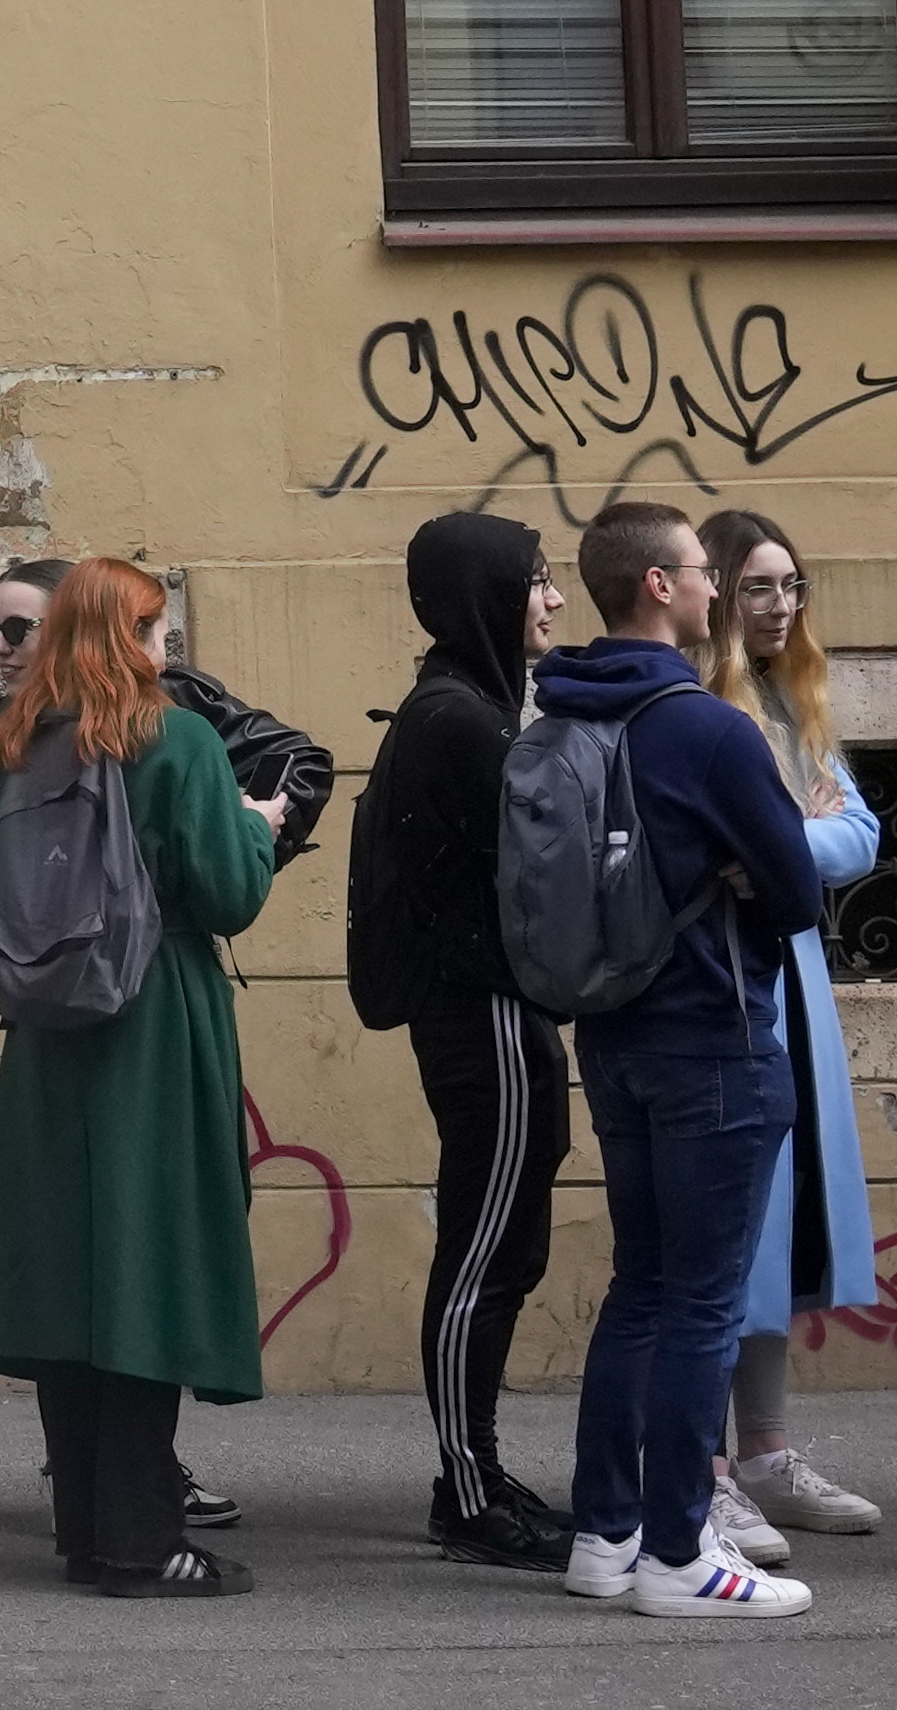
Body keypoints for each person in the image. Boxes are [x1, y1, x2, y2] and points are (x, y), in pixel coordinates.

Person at [0, 555, 264, 1606]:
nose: (165, 645)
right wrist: (257, 830)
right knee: (146, 1268)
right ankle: (139, 1542)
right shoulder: (175, 741)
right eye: (155, 627)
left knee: (73, 1279)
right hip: (153, 1018)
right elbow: (225, 893)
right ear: (128, 635)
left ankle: (87, 1528)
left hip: (45, 1031)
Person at [531, 495, 825, 1617]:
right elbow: (794, 891)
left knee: (641, 1289)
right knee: (699, 1304)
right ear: (657, 585)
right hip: (716, 1035)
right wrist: (753, 866)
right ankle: (676, 1555)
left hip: (610, 1034)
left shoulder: (559, 716)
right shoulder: (706, 727)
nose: (712, 587)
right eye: (702, 571)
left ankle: (602, 1535)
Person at [343, 511, 573, 1568]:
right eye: (534, 580)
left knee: (501, 1247)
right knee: (485, 1253)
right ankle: (467, 1489)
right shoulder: (460, 721)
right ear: (485, 593)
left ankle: (472, 1474)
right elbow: (539, 866)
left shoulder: (462, 706)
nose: (553, 600)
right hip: (482, 1013)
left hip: (486, 1009)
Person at [697, 510, 890, 1542]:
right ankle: (712, 1466)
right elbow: (746, 845)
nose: (781, 607)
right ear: (717, 591)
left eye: (792, 586)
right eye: (760, 587)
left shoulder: (790, 700)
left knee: (787, 1213)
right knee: (736, 1223)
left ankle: (766, 1452)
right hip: (730, 978)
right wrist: (794, 832)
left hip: (792, 975)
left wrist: (786, 840)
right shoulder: (705, 705)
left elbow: (858, 832)